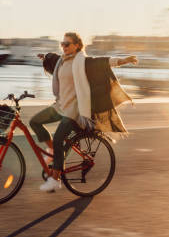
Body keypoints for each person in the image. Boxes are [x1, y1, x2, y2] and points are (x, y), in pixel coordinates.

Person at [37, 32, 137, 192]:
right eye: (62, 44)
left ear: (77, 45)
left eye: (67, 44)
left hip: (75, 110)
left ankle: (55, 179)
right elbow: (54, 58)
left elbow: (102, 62)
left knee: (57, 138)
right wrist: (45, 57)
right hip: (61, 106)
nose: (63, 46)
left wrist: (123, 60)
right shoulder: (62, 61)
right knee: (35, 122)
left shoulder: (82, 62)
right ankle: (54, 154)